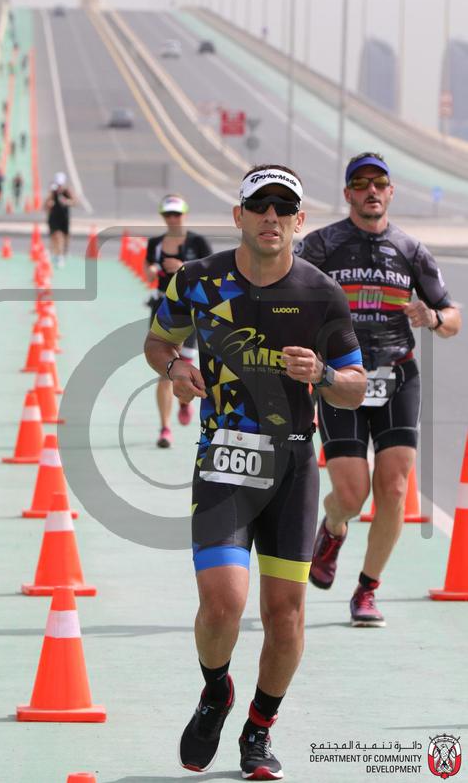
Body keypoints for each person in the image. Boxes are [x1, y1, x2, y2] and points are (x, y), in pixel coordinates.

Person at [144, 164, 366, 779]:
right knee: (222, 605)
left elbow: (354, 386)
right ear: (238, 216)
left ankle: (259, 730)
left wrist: (323, 374)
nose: (272, 217)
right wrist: (175, 370)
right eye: (260, 206)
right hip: (224, 459)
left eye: (284, 208)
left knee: (285, 615)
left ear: (299, 220)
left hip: (292, 465)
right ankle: (217, 689)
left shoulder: (322, 293)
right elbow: (158, 343)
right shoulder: (198, 279)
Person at [294, 151, 462, 628]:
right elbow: (285, 292)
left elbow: (453, 317)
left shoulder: (411, 250)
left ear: (390, 192)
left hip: (397, 376)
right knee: (351, 495)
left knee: (394, 487)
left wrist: (432, 317)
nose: (371, 191)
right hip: (341, 378)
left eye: (379, 184)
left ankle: (366, 589)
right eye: (361, 184)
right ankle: (333, 527)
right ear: (348, 193)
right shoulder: (322, 245)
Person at [144, 194, 211, 448]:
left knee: (186, 365)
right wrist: (152, 270)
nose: (172, 219)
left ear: (184, 214)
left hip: (190, 310)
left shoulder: (198, 242)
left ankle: (184, 402)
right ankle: (164, 428)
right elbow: (148, 270)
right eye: (168, 215)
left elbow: (209, 274)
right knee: (165, 370)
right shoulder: (155, 243)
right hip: (163, 307)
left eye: (177, 214)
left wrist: (183, 267)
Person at [44, 172, 76, 267]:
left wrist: (67, 202)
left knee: (65, 238)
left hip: (64, 218)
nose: (59, 187)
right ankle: (58, 256)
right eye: (58, 184)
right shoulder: (52, 191)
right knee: (57, 236)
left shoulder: (67, 191)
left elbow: (75, 201)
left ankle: (60, 253)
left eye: (61, 185)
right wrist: (49, 204)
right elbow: (46, 204)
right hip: (54, 217)